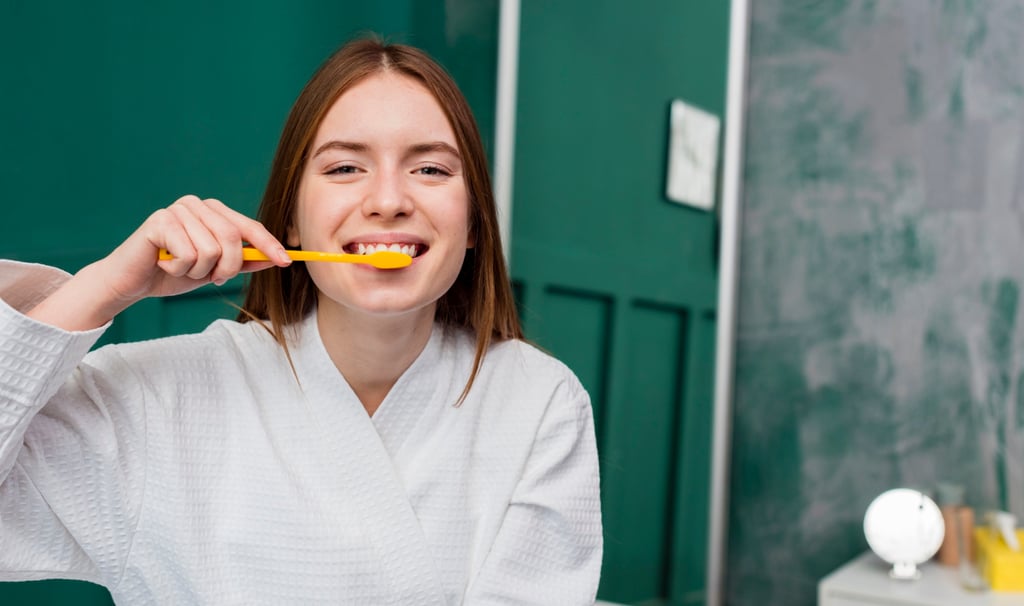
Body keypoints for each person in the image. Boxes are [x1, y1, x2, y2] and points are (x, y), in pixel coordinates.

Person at [0, 37, 602, 604]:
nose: (388, 199)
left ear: (473, 226)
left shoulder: (539, 401)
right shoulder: (153, 398)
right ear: (289, 221)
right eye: (344, 168)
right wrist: (104, 286)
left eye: (431, 170)